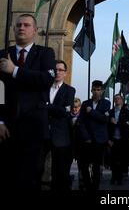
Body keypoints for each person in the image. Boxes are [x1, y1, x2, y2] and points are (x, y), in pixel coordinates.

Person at [0, 14, 56, 190]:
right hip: (6, 128)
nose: (21, 28)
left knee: (30, 177)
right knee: (8, 176)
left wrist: (14, 70)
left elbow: (46, 79)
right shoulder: (3, 54)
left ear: (35, 31)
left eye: (26, 25)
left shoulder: (45, 54)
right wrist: (0, 121)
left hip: (33, 126)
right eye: (18, 25)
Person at [45, 60, 75, 191]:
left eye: (60, 70)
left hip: (60, 136)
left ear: (65, 73)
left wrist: (46, 106)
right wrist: (55, 108)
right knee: (36, 166)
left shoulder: (69, 90)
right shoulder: (43, 88)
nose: (57, 72)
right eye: (55, 70)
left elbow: (65, 111)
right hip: (42, 132)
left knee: (59, 170)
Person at [78, 80, 110, 191]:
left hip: (99, 140)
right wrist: (85, 136)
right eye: (94, 89)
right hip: (87, 139)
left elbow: (104, 119)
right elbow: (80, 121)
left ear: (102, 91)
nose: (96, 92)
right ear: (91, 90)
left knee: (96, 166)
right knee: (83, 165)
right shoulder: (85, 104)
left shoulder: (106, 103)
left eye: (98, 90)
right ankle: (87, 185)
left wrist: (91, 112)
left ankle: (94, 187)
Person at [108, 94, 129, 185]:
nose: (117, 100)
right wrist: (108, 139)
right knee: (113, 160)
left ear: (122, 100)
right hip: (113, 140)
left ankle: (119, 178)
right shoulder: (111, 112)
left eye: (118, 98)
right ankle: (113, 177)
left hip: (122, 140)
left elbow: (126, 124)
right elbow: (107, 127)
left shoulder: (125, 111)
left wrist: (116, 123)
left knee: (121, 160)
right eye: (115, 99)